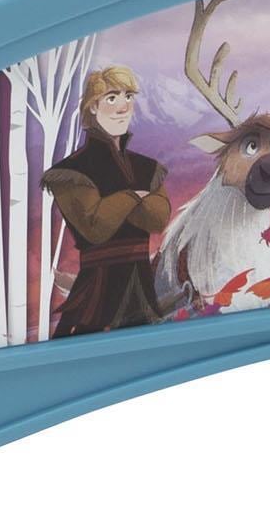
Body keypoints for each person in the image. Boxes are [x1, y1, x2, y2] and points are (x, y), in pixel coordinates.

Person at [43, 66, 173, 337]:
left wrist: (115, 203)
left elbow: (158, 219)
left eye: (128, 96)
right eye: (112, 98)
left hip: (141, 289)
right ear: (93, 107)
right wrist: (134, 196)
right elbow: (96, 226)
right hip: (97, 291)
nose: (123, 106)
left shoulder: (147, 167)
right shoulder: (70, 171)